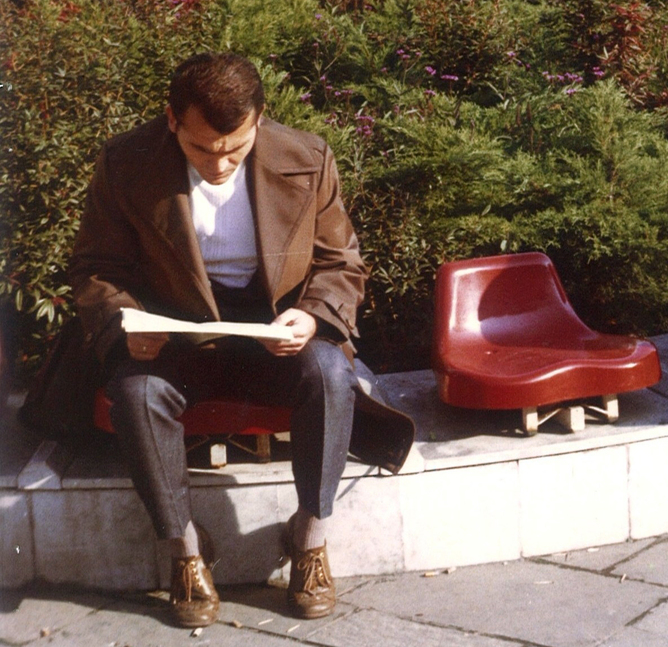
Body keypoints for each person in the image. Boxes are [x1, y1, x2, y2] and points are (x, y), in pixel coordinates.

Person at [63, 53, 413, 627]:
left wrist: (313, 316)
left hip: (275, 333)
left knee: (329, 374)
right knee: (135, 396)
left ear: (259, 120)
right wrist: (128, 322)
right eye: (203, 149)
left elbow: (340, 262)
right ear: (172, 120)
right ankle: (184, 553)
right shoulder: (127, 162)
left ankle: (310, 538)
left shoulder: (306, 156)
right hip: (174, 336)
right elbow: (96, 267)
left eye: (237, 146)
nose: (221, 163)